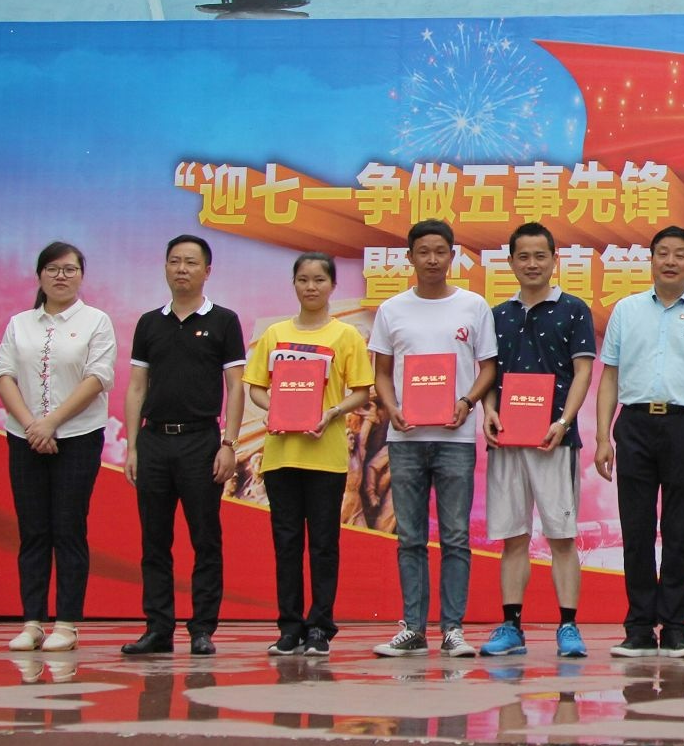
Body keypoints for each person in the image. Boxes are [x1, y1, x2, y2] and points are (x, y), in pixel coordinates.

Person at [593, 225, 684, 659]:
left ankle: (675, 628)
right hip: (634, 424)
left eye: (680, 255)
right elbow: (609, 377)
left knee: (678, 531)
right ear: (651, 259)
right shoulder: (626, 310)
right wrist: (602, 437)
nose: (670, 261)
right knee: (636, 530)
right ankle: (638, 627)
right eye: (662, 253)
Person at [368, 219, 499, 658]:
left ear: (452, 255)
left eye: (440, 251)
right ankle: (412, 628)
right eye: (423, 252)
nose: (432, 259)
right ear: (409, 257)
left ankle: (453, 629)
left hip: (454, 439)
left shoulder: (473, 306)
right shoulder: (392, 310)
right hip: (405, 439)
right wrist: (392, 407)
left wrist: (467, 401)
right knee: (409, 537)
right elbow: (381, 373)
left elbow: (488, 367)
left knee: (456, 537)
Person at [242, 253, 373, 656]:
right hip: (281, 455)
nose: (311, 287)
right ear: (294, 284)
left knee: (323, 544)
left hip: (326, 454)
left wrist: (332, 412)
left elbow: (361, 392)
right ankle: (289, 626)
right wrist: (276, 409)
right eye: (303, 279)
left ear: (332, 285)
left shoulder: (346, 336)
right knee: (286, 543)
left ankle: (320, 626)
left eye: (319, 279)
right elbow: (256, 387)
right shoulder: (276, 334)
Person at [122, 235, 245, 656]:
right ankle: (158, 628)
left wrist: (229, 443)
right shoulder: (149, 323)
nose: (181, 269)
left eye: (191, 262)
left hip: (201, 442)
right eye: (174, 261)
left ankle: (202, 629)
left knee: (205, 538)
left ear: (207, 271)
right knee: (154, 540)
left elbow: (235, 386)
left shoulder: (224, 321)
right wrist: (133, 446)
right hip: (154, 441)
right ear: (165, 267)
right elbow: (136, 387)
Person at [0, 241, 117, 652]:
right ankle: (32, 622)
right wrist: (32, 425)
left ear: (81, 275)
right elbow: (3, 375)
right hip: (24, 437)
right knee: (33, 530)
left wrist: (52, 422)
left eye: (70, 269)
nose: (61, 276)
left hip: (78, 436)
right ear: (39, 275)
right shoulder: (19, 323)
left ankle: (66, 623)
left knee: (68, 527)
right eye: (53, 269)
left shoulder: (96, 321)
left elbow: (97, 378)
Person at [480, 223, 597, 660]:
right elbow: (488, 373)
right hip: (507, 440)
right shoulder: (496, 314)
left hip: (555, 440)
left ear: (554, 259)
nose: (532, 264)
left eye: (540, 256)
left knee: (561, 537)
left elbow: (583, 372)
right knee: (513, 537)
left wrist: (564, 422)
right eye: (523, 257)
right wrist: (488, 410)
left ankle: (568, 626)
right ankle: (511, 626)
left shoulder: (574, 309)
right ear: (511, 262)